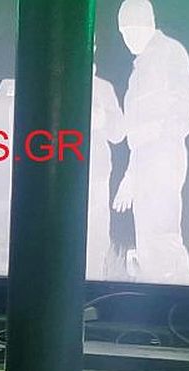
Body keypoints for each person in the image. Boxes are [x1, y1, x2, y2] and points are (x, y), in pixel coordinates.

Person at [112, 0, 189, 284]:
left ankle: (183, 298)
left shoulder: (169, 52)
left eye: (132, 30)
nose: (128, 39)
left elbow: (182, 109)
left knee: (162, 238)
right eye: (124, 33)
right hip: (146, 160)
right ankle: (159, 296)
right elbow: (137, 135)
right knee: (149, 242)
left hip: (162, 157)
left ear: (147, 25)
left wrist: (160, 140)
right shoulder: (140, 67)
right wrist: (131, 175)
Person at [87, 62, 126, 281]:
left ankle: (92, 284)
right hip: (57, 176)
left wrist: (102, 118)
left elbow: (118, 132)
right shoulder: (52, 84)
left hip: (95, 174)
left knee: (96, 236)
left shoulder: (102, 88)